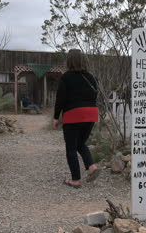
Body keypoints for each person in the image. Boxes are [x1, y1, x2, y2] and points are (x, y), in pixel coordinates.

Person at [53, 49, 101, 188]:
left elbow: (60, 98)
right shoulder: (91, 77)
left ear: (69, 61)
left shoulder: (66, 77)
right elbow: (94, 96)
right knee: (80, 143)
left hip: (73, 115)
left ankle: (75, 180)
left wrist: (56, 117)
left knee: (71, 148)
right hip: (91, 113)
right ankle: (91, 167)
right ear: (83, 60)